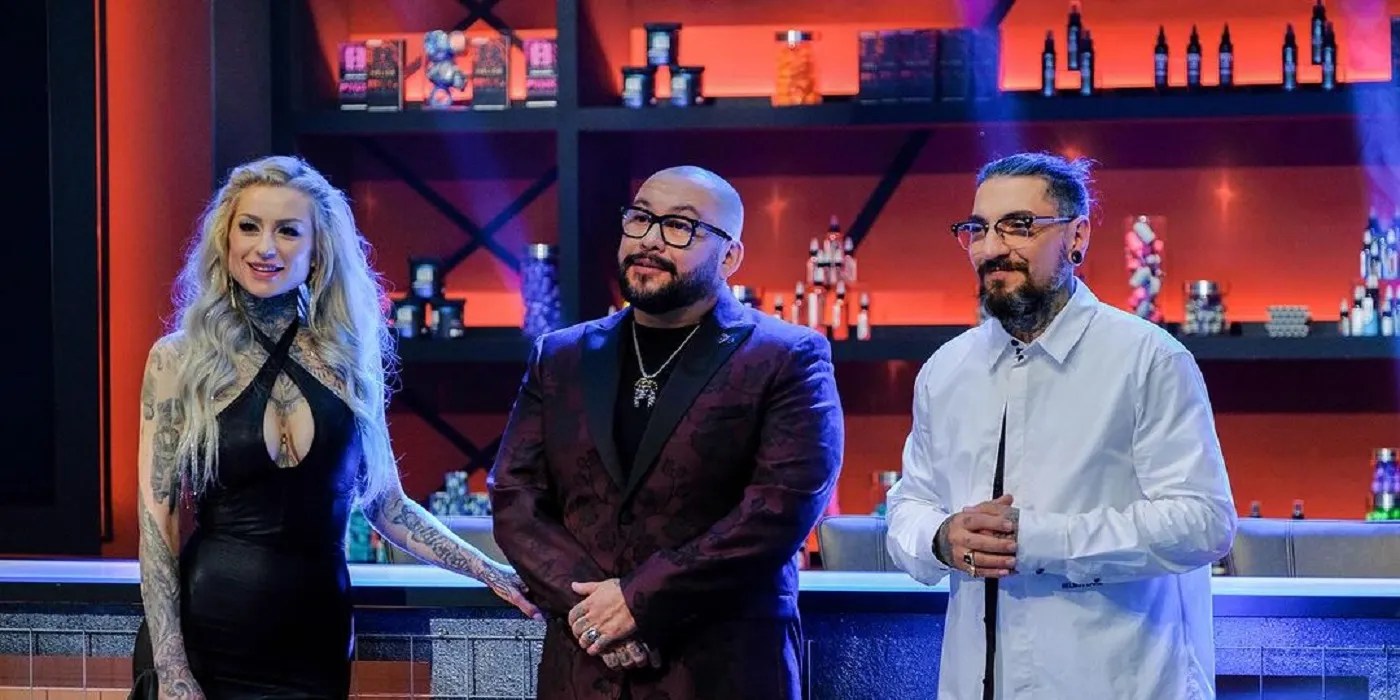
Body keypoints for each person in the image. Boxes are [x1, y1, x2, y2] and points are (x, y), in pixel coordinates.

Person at [133, 155, 539, 700]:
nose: (265, 247)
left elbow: (387, 505)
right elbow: (157, 525)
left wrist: (492, 571)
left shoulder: (347, 359)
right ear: (225, 240)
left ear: (317, 250)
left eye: (288, 231)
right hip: (209, 634)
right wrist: (172, 670)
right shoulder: (178, 360)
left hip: (316, 640)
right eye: (249, 227)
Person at [885, 152, 1237, 699]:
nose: (992, 248)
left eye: (1018, 226)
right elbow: (910, 505)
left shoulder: (1147, 358)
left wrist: (1041, 540)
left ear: (1077, 237)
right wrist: (939, 538)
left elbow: (1203, 523)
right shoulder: (945, 370)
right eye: (978, 229)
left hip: (1117, 683)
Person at [489, 165, 843, 699]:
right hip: (584, 673)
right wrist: (596, 613)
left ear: (730, 257)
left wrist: (638, 602)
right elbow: (515, 499)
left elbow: (779, 510)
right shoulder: (561, 356)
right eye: (640, 218)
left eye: (680, 226)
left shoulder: (785, 356)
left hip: (720, 670)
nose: (650, 240)